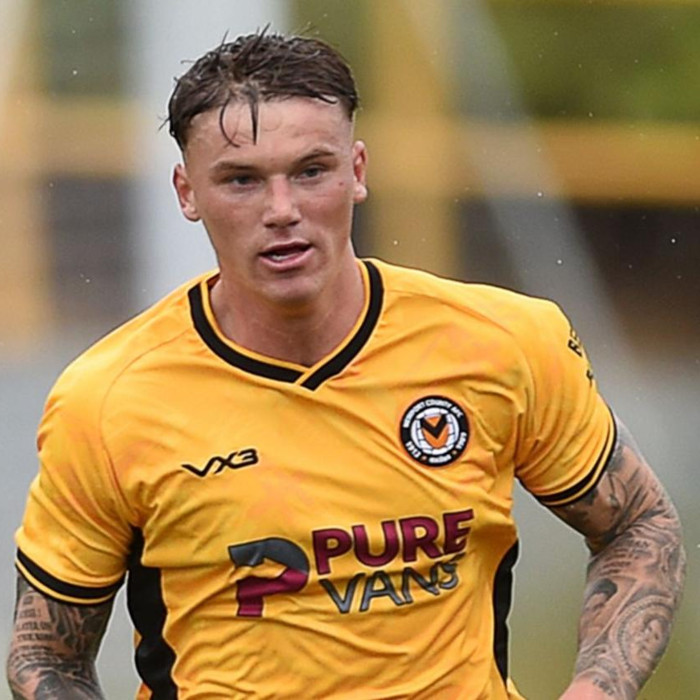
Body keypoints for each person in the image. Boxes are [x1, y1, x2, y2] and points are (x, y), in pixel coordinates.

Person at [6, 30, 685, 700]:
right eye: (242, 180)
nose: (282, 211)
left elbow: (638, 525)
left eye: (311, 171)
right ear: (187, 192)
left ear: (356, 172)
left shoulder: (504, 342)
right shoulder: (108, 400)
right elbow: (46, 658)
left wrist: (595, 691)